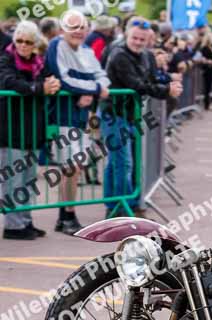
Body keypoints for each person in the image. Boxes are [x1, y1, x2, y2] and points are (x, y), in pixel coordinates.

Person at [103, 16, 182, 218]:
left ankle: (115, 206)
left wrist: (169, 82)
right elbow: (136, 85)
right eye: (135, 38)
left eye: (142, 39)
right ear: (126, 36)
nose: (138, 42)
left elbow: (153, 78)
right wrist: (166, 90)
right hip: (114, 114)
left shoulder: (147, 55)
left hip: (132, 115)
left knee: (120, 162)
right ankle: (121, 209)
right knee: (122, 162)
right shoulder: (119, 55)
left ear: (148, 39)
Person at [46, 9, 111, 234]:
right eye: (73, 27)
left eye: (82, 27)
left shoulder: (85, 50)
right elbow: (63, 79)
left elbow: (102, 77)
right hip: (63, 115)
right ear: (63, 28)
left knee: (75, 168)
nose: (78, 31)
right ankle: (67, 215)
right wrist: (92, 89)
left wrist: (92, 90)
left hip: (80, 117)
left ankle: (66, 215)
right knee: (70, 167)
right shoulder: (56, 45)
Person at [0, 21, 61, 239]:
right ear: (14, 40)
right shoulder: (5, 59)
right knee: (14, 179)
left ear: (35, 43)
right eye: (19, 41)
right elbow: (9, 82)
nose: (23, 45)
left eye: (28, 41)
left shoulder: (37, 61)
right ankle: (13, 226)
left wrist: (53, 84)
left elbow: (50, 78)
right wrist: (39, 88)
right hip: (11, 129)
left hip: (32, 129)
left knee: (27, 178)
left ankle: (25, 220)